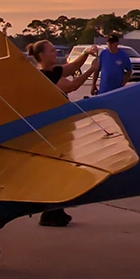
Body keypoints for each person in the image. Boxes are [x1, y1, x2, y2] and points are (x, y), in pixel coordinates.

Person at [25, 40, 96, 227]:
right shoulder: (43, 76)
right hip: (51, 131)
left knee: (59, 168)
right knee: (57, 170)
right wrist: (91, 70)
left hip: (57, 129)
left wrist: (87, 53)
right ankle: (50, 213)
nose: (55, 51)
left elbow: (71, 67)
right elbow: (71, 86)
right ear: (41, 56)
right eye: (50, 50)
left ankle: (55, 211)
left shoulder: (50, 72)